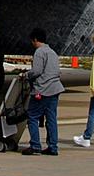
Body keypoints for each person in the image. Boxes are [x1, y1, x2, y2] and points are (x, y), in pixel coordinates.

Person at [22, 27, 65, 156]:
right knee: (51, 118)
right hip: (55, 88)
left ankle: (35, 145)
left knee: (32, 116)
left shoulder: (39, 52)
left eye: (32, 41)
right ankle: (53, 147)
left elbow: (37, 71)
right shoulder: (52, 52)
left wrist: (25, 75)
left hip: (43, 90)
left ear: (35, 39)